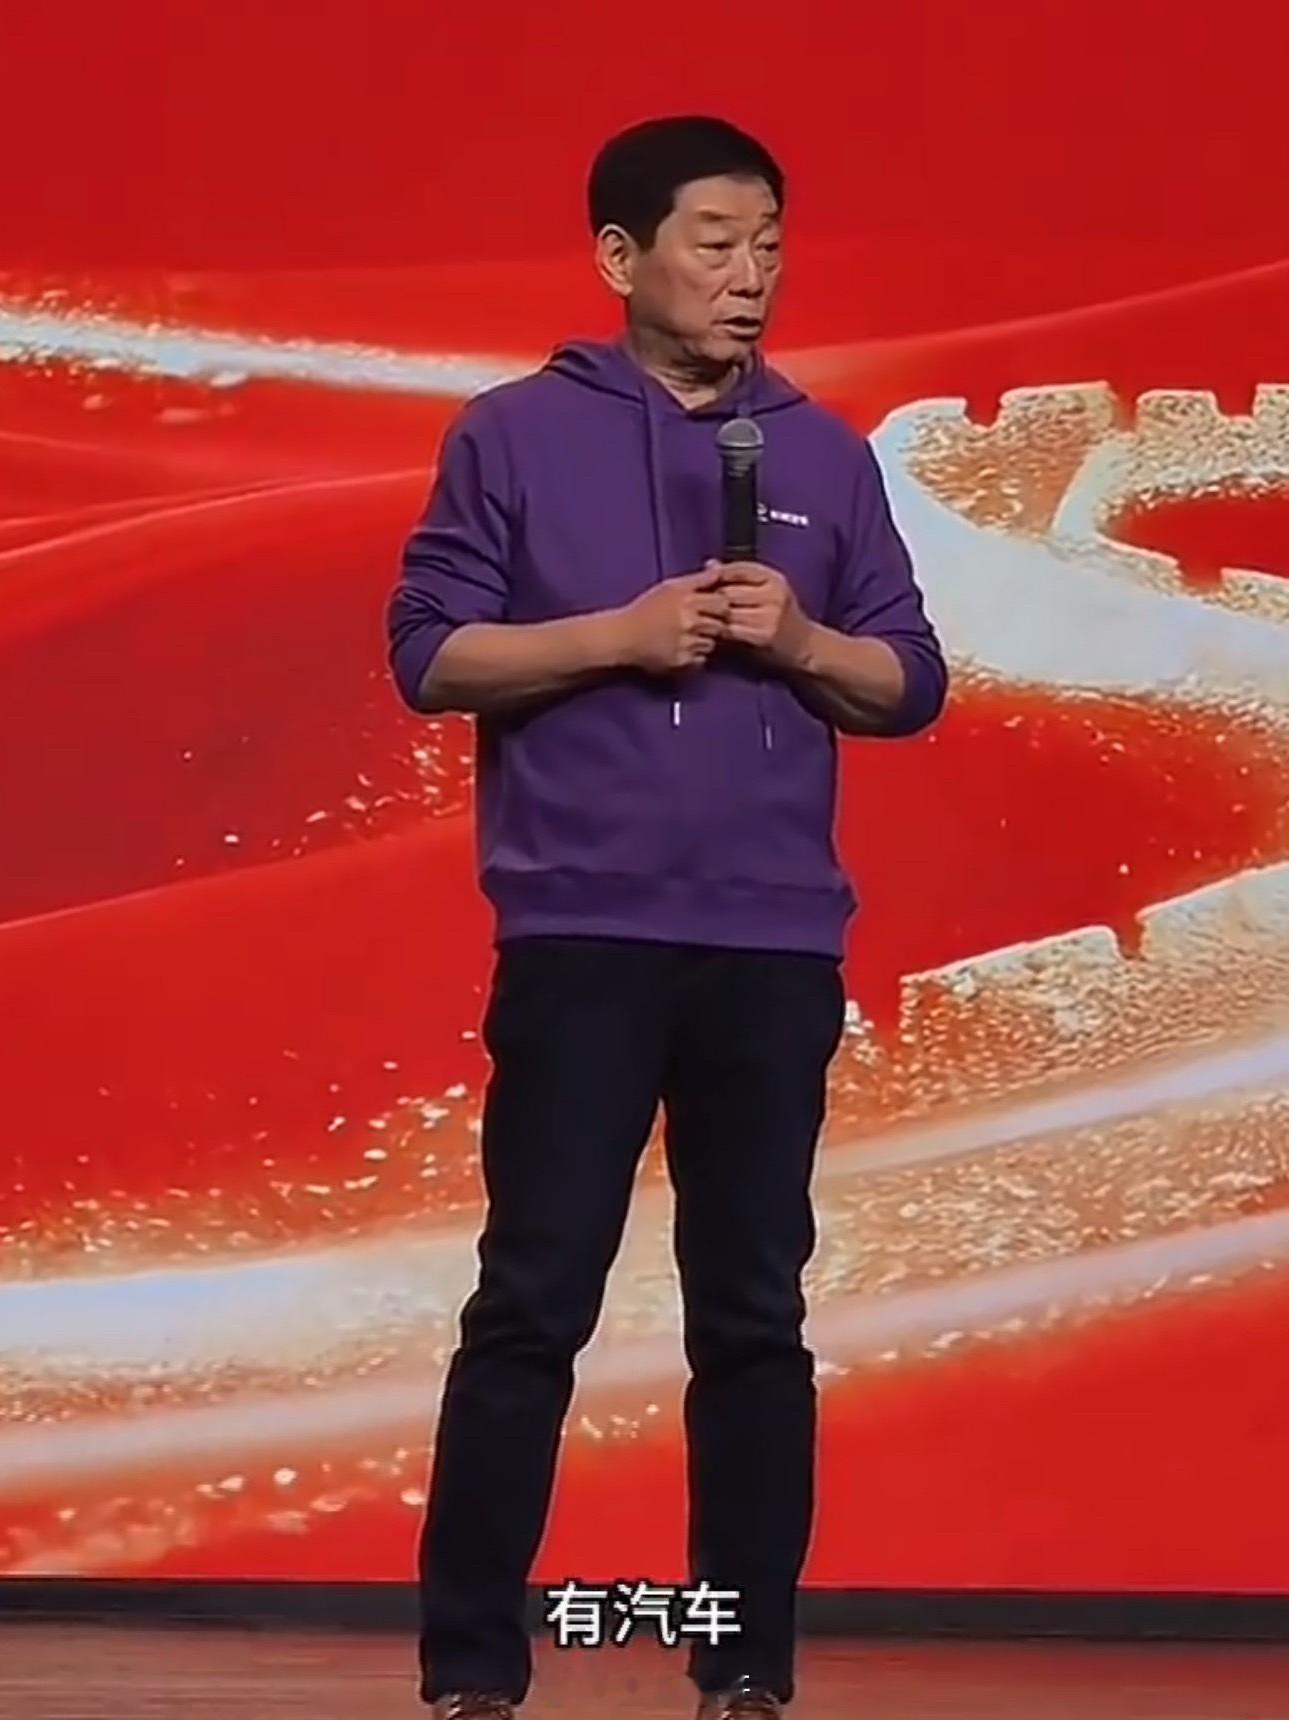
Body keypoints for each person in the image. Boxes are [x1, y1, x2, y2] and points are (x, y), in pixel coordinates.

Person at [385, 114, 948, 1720]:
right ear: (620, 257)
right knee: (532, 1304)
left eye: (768, 244)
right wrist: (616, 637)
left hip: (772, 943)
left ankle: (741, 1666)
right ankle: (474, 1672)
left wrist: (804, 643)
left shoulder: (823, 455)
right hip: (582, 934)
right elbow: (427, 654)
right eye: (714, 242)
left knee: (753, 1318)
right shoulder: (509, 435)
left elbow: (909, 680)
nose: (748, 274)